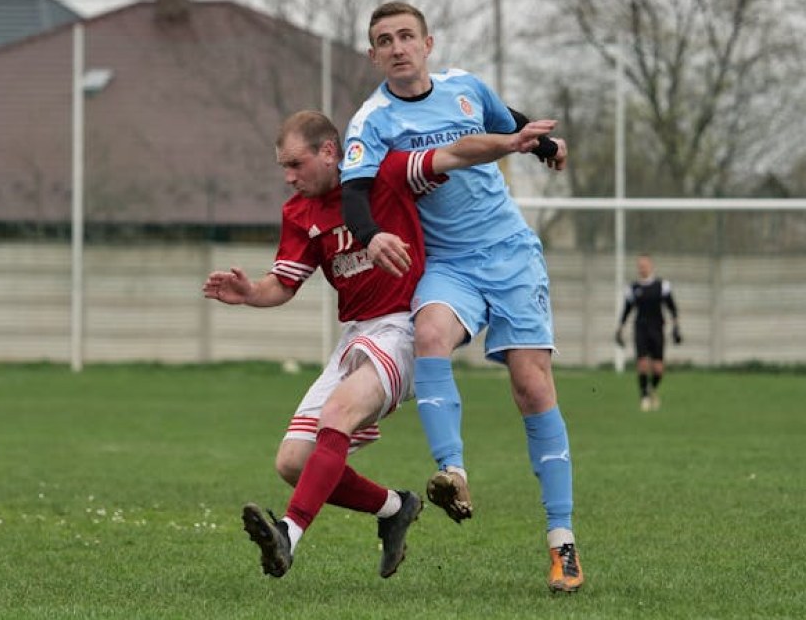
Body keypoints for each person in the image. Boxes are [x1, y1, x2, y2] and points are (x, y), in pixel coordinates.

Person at [204, 110, 555, 580]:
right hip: (357, 335)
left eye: (295, 164)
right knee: (293, 462)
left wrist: (513, 141)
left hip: (405, 327)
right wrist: (250, 293)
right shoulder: (299, 212)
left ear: (329, 152)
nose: (288, 177)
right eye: (283, 168)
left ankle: (289, 533)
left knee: (338, 414)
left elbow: (452, 153)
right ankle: (394, 508)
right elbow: (283, 283)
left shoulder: (383, 174)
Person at [339, 1, 583, 593]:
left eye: (406, 36)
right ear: (373, 56)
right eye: (384, 40)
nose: (397, 47)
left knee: (531, 386)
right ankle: (452, 472)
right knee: (428, 334)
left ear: (428, 44)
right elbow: (355, 192)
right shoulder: (372, 121)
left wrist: (545, 146)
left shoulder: (466, 87)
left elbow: (508, 122)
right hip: (448, 264)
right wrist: (371, 237)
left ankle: (562, 542)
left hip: (512, 254)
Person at [615, 254, 681, 411]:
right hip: (641, 329)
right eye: (640, 266)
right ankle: (644, 396)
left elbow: (672, 308)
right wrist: (620, 328)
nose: (642, 268)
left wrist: (676, 327)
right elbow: (627, 310)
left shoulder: (662, 286)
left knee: (658, 368)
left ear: (651, 266)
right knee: (642, 363)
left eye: (645, 265)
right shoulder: (633, 288)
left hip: (657, 329)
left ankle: (651, 389)